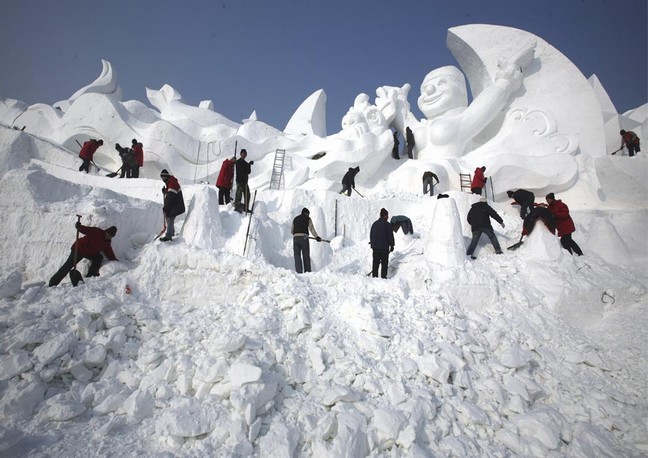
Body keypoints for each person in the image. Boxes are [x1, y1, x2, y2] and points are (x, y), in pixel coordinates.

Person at [49, 223, 117, 286]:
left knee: (99, 258)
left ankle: (90, 276)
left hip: (89, 252)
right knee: (68, 266)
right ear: (106, 231)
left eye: (111, 236)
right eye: (108, 234)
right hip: (79, 249)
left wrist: (114, 259)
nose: (109, 237)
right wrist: (79, 227)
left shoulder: (107, 242)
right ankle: (53, 283)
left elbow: (109, 251)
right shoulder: (97, 232)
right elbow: (86, 230)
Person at [291, 207, 322, 273]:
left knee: (297, 256)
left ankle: (299, 272)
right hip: (304, 238)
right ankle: (307, 271)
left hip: (295, 238)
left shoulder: (295, 219)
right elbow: (311, 229)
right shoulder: (307, 218)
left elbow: (292, 231)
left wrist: (297, 234)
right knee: (306, 255)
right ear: (307, 213)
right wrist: (317, 237)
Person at [160, 169, 186, 242]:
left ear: (166, 177)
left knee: (170, 217)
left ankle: (169, 236)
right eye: (161, 178)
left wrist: (166, 208)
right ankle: (171, 232)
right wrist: (165, 191)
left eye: (163, 178)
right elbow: (170, 192)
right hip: (175, 203)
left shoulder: (172, 182)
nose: (162, 179)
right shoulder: (170, 181)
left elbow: (171, 196)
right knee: (169, 217)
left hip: (176, 204)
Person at [370, 208, 395, 278]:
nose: (388, 217)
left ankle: (374, 277)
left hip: (375, 248)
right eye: (387, 216)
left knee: (375, 263)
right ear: (384, 216)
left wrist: (372, 244)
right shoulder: (387, 225)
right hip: (384, 248)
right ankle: (383, 277)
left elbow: (371, 235)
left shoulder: (374, 224)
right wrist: (392, 245)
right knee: (384, 264)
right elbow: (390, 236)